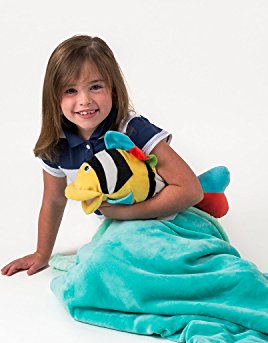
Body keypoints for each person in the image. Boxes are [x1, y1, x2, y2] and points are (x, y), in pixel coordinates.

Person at [1, 35, 203, 277]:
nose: (84, 100)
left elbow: (191, 190)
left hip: (166, 222)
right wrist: (41, 254)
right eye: (70, 90)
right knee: (103, 269)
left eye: (95, 87)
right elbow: (54, 200)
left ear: (113, 90)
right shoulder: (57, 146)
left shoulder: (131, 130)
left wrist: (125, 214)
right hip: (120, 233)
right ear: (54, 98)